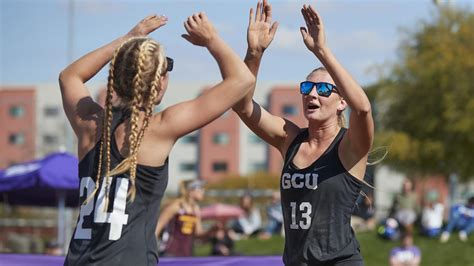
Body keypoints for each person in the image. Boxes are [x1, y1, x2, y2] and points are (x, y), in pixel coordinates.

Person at [60, 13, 254, 265]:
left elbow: (69, 76)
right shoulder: (160, 128)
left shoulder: (90, 123)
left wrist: (128, 39)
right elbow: (243, 80)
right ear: (159, 82)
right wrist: (211, 39)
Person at [232, 1, 374, 265]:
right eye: (307, 87)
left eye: (322, 90)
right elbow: (241, 105)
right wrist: (254, 53)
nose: (311, 93)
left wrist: (322, 51)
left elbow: (364, 110)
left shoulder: (349, 146)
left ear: (341, 102)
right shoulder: (290, 139)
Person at [155, 179, 206, 257]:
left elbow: (198, 233)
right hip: (170, 253)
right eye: (200, 189)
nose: (203, 191)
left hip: (187, 253)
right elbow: (158, 227)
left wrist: (213, 230)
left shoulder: (196, 209)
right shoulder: (175, 207)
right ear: (190, 191)